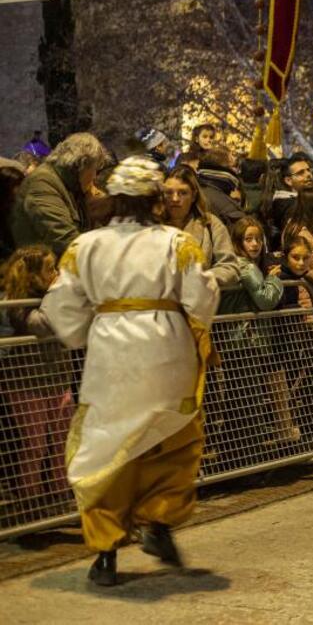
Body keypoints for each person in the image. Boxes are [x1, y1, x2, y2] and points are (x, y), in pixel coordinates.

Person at [39, 156, 220, 586]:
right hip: (166, 345)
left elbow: (62, 305)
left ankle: (105, 552)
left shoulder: (85, 245)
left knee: (107, 445)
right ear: (155, 198)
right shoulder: (176, 242)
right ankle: (159, 523)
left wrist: (86, 331)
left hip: (110, 352)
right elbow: (201, 297)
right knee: (172, 438)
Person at [0, 245, 74, 515]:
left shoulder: (51, 297)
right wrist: (59, 293)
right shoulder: (15, 303)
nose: (55, 273)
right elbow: (42, 325)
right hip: (26, 385)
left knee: (61, 443)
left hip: (57, 380)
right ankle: (30, 504)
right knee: (35, 445)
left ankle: (59, 498)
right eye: (49, 269)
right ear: (31, 275)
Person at [10, 132, 109, 256]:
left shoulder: (72, 186)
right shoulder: (43, 184)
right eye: (94, 170)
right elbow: (65, 240)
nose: (94, 176)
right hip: (41, 270)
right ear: (81, 165)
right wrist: (108, 257)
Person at [163, 166, 239, 288]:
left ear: (193, 196)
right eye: (169, 193)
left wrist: (200, 278)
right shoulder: (152, 226)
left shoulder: (210, 224)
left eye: (183, 193)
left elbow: (230, 267)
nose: (175, 199)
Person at [267, 154, 313, 244]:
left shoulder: (300, 201)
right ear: (288, 180)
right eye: (301, 173)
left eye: (308, 170)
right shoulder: (291, 207)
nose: (308, 175)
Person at [197, 147, 245, 229]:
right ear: (223, 170)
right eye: (232, 167)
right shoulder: (225, 204)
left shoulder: (199, 190)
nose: (236, 171)